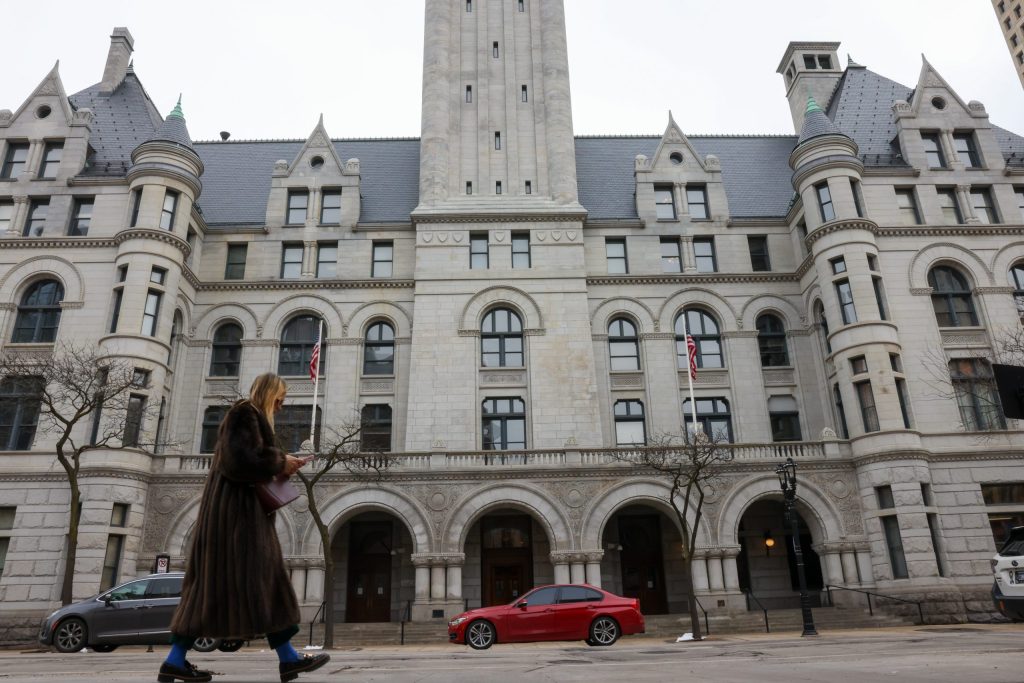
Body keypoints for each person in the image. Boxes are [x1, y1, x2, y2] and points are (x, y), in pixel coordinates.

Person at [158, 373, 330, 683]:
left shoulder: (250, 418)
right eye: (280, 398)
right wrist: (280, 462)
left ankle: (176, 661)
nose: (282, 405)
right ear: (268, 393)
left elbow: (248, 461)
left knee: (227, 586)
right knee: (256, 579)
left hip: (238, 519)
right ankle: (287, 658)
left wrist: (282, 462)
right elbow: (240, 462)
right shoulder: (244, 414)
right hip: (235, 521)